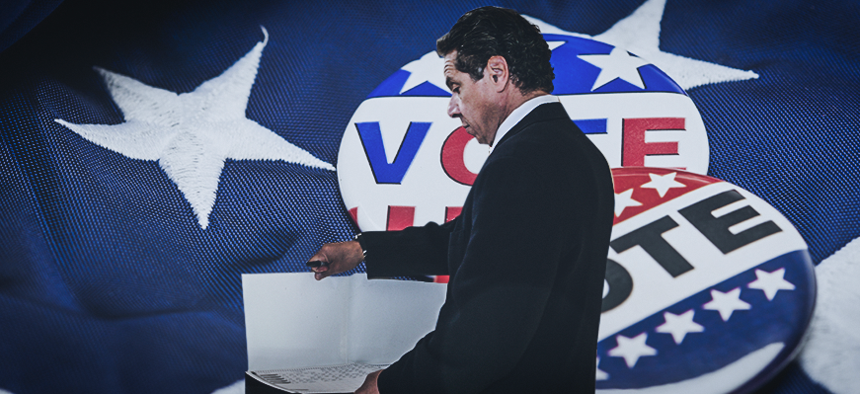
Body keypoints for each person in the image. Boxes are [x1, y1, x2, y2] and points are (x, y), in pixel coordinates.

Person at [308, 6, 614, 394]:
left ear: (497, 73)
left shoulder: (520, 163)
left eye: (456, 86)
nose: (453, 107)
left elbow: (482, 339)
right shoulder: (576, 152)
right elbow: (481, 243)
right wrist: (364, 248)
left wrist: (387, 386)